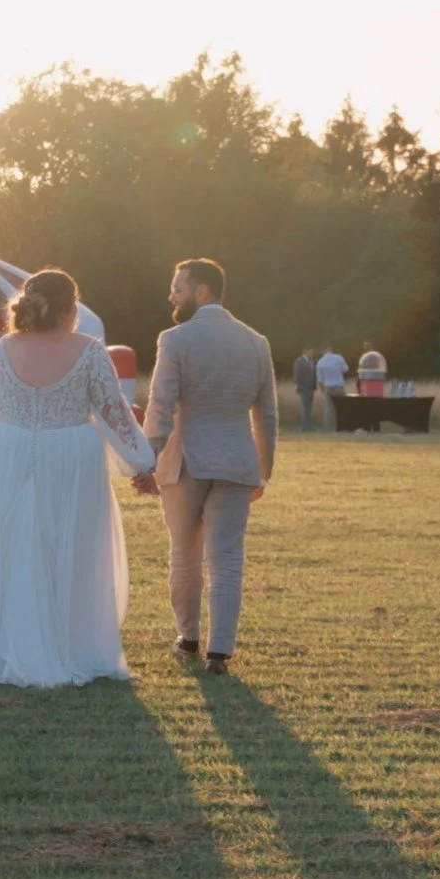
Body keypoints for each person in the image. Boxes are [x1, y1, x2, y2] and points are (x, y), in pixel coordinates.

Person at [0, 268, 155, 688]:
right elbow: (116, 414)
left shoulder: (0, 351)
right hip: (70, 452)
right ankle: (67, 643)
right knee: (68, 548)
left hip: (7, 449)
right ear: (71, 308)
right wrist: (141, 464)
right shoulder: (90, 351)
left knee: (5, 545)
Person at [140, 258, 278, 676]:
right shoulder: (256, 342)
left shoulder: (175, 339)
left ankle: (189, 638)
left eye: (178, 287)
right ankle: (220, 651)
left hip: (186, 462)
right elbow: (266, 415)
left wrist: (147, 459)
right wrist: (264, 469)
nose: (172, 295)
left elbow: (161, 405)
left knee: (185, 554)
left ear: (201, 291)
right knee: (227, 558)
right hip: (237, 461)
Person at [316, 345, 349, 430]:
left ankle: (328, 427)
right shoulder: (338, 358)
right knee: (342, 407)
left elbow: (320, 379)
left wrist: (322, 390)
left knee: (328, 408)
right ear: (330, 349)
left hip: (328, 387)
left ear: (323, 351)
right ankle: (342, 426)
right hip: (339, 386)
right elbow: (345, 369)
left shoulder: (320, 362)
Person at [293, 346, 317, 431]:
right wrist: (301, 387)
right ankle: (304, 427)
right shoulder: (299, 361)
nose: (312, 353)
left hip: (311, 388)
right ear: (305, 351)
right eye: (310, 351)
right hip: (303, 389)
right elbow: (297, 376)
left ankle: (308, 426)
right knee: (305, 408)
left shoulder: (312, 362)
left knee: (309, 408)